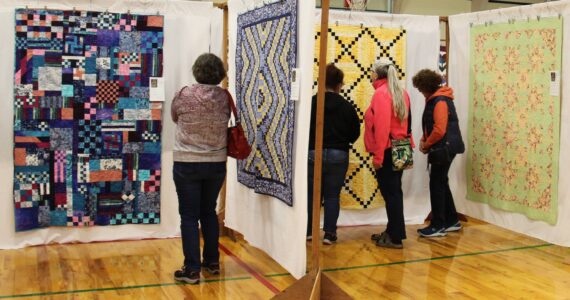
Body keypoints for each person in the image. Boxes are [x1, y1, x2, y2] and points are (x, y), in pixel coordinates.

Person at [171, 53, 230, 284]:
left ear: (196, 70)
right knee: (208, 211)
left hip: (187, 162)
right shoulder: (225, 97)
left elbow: (175, 117)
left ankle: (192, 269)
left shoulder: (184, 94)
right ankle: (212, 262)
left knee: (189, 215)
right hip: (216, 163)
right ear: (220, 74)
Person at [308, 63, 361, 245]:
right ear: (339, 84)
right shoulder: (347, 106)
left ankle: (309, 231)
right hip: (339, 154)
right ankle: (329, 233)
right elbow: (355, 132)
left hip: (313, 152)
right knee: (332, 196)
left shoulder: (312, 103)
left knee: (312, 195)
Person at [364, 61, 413, 249]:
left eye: (371, 72)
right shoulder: (402, 92)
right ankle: (392, 230)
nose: (370, 75)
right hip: (401, 147)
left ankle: (396, 236)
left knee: (391, 193)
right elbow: (406, 124)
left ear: (376, 75)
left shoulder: (381, 94)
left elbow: (382, 128)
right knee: (394, 192)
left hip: (386, 150)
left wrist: (378, 157)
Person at [412, 69, 465, 238]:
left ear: (426, 87)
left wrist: (426, 143)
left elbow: (440, 129)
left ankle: (437, 225)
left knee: (436, 183)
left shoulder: (439, 101)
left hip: (444, 147)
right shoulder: (439, 98)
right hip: (447, 146)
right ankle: (451, 220)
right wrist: (424, 138)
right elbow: (434, 125)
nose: (420, 93)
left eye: (420, 89)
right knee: (441, 182)